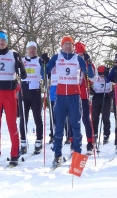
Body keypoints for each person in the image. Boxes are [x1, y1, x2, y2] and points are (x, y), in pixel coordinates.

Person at [44, 36, 94, 166]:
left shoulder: (78, 58)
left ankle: (77, 154)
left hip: (74, 96)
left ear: (73, 46)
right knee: (59, 127)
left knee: (76, 126)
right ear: (61, 45)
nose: (67, 46)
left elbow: (91, 74)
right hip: (60, 96)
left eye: (70, 44)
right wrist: (42, 63)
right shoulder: (56, 57)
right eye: (65, 44)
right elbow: (44, 73)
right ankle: (57, 155)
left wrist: (88, 62)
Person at [0, 31, 27, 166]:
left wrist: (20, 68)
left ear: (7, 41)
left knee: (11, 124)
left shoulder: (14, 55)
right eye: (0, 40)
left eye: (3, 39)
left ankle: (14, 154)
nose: (1, 42)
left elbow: (24, 75)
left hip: (9, 93)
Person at [67, 41, 94, 155]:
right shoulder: (71, 61)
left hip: (84, 95)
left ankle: (90, 142)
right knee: (72, 119)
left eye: (82, 54)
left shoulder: (87, 62)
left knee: (86, 119)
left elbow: (93, 76)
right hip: (72, 94)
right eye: (79, 54)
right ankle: (73, 142)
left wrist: (88, 63)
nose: (80, 56)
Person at [19, 41, 44, 155]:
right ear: (27, 50)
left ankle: (38, 141)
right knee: (23, 118)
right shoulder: (22, 60)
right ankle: (23, 142)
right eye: (30, 48)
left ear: (36, 50)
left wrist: (45, 62)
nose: (32, 50)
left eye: (34, 48)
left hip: (35, 90)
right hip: (24, 90)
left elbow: (45, 72)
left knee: (37, 117)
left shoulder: (39, 60)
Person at [90, 65, 112, 145]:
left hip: (106, 96)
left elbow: (116, 82)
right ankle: (94, 133)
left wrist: (113, 92)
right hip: (97, 96)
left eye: (103, 73)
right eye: (100, 74)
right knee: (95, 117)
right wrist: (90, 89)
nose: (102, 75)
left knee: (105, 117)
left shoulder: (109, 75)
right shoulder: (95, 75)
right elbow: (88, 81)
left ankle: (106, 135)